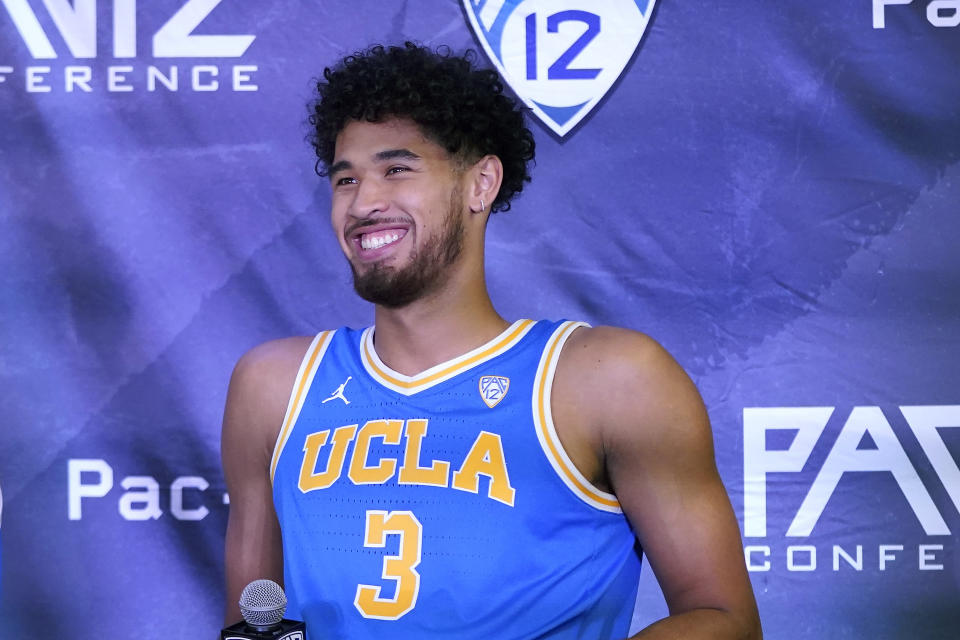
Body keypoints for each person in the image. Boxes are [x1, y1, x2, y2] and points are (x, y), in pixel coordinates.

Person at [222, 42, 761, 639]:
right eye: (345, 179)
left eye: (396, 169)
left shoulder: (607, 379)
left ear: (482, 183)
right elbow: (256, 616)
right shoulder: (273, 387)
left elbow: (724, 620)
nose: (363, 202)